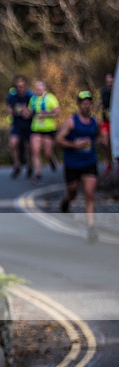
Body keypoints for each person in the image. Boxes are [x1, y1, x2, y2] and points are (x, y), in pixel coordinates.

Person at [56, 90, 104, 243]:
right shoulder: (71, 122)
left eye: (88, 102)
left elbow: (99, 136)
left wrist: (103, 141)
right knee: (72, 193)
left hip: (89, 162)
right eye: (83, 102)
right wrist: (74, 144)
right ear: (79, 104)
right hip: (72, 163)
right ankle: (66, 202)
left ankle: (91, 227)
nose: (86, 104)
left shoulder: (94, 122)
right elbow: (58, 140)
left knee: (89, 194)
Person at [29, 80, 61, 184]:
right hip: (36, 129)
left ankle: (51, 159)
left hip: (48, 129)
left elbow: (57, 111)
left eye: (40, 88)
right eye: (36, 88)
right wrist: (25, 112)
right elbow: (29, 111)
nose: (38, 90)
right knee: (35, 151)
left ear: (44, 88)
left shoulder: (50, 98)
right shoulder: (33, 99)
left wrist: (46, 114)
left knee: (47, 153)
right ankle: (38, 174)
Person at [6, 75, 34, 179]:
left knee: (28, 146)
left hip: (28, 124)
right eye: (18, 86)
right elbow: (9, 109)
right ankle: (17, 165)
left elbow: (33, 109)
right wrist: (13, 111)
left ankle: (30, 165)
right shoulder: (12, 96)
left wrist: (29, 112)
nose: (19, 88)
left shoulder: (30, 95)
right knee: (13, 143)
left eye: (21, 86)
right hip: (17, 123)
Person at [99, 73, 115, 176]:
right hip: (106, 120)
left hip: (116, 121)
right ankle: (109, 163)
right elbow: (102, 103)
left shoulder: (117, 91)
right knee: (105, 141)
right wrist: (100, 105)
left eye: (111, 81)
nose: (109, 84)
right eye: (107, 82)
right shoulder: (103, 91)